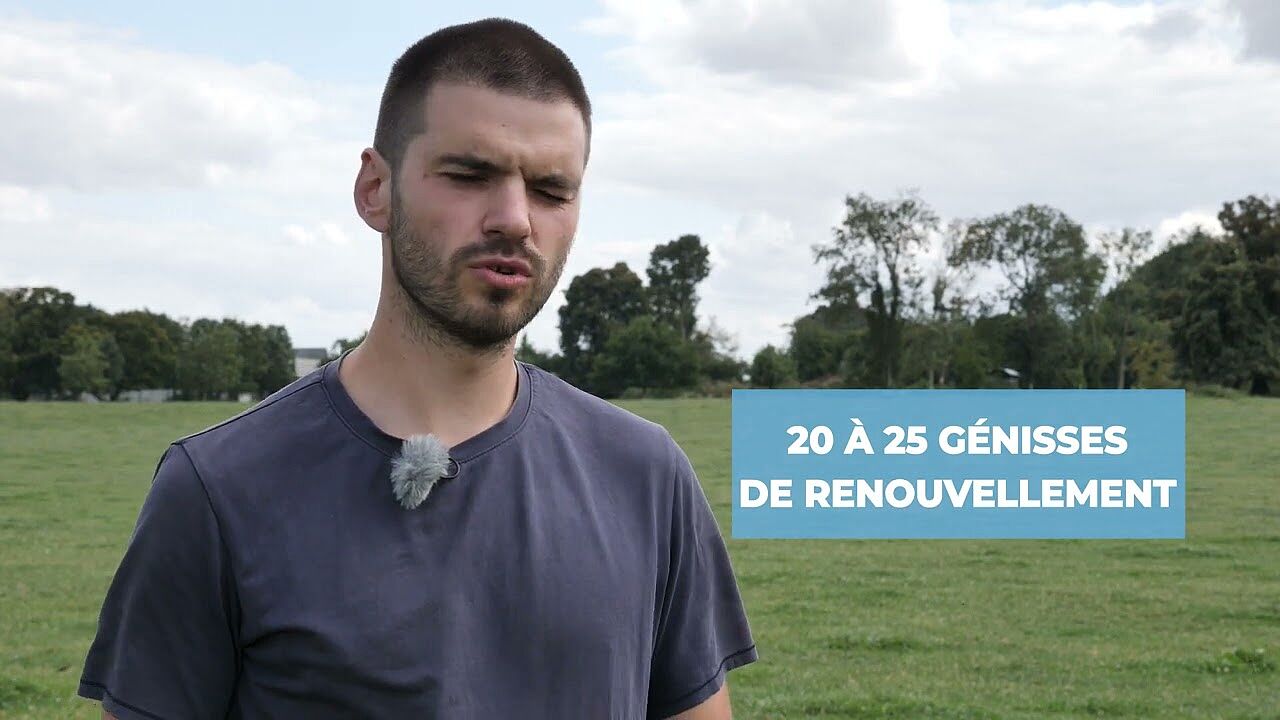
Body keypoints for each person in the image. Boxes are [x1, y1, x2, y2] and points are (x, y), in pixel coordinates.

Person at [78, 17, 757, 720]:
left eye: (552, 190)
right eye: (468, 175)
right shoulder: (217, 490)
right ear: (375, 188)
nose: (515, 219)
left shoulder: (645, 476)